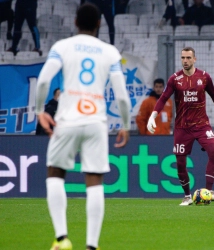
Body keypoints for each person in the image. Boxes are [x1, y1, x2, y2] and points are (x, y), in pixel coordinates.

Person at [35, 3, 131, 250]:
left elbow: (44, 79)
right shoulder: (109, 51)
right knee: (95, 180)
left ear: (75, 22)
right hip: (96, 122)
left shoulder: (62, 47)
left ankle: (61, 239)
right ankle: (91, 245)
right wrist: (126, 124)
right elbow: (121, 95)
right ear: (100, 23)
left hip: (67, 120)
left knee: (55, 173)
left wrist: (38, 111)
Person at [147, 47, 214, 206]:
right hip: (182, 127)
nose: (185, 61)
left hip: (202, 125)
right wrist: (153, 116)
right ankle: (187, 196)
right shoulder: (175, 79)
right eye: (182, 58)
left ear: (195, 59)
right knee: (180, 163)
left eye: (188, 57)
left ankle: (209, 192)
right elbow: (163, 97)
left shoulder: (204, 77)